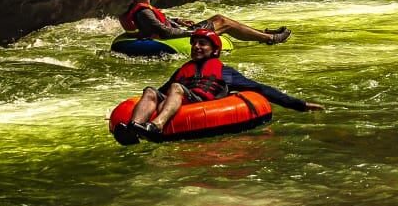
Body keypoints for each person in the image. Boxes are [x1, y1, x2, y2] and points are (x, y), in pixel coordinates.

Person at [124, 30, 323, 139]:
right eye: (194, 43)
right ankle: (134, 128)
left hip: (200, 103)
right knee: (150, 90)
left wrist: (299, 105)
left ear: (215, 51)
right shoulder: (183, 70)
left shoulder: (224, 71)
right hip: (179, 101)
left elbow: (260, 88)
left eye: (202, 44)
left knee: (175, 88)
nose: (196, 47)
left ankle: (156, 126)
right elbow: (159, 93)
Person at [120, 0, 291, 44]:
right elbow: (164, 32)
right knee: (223, 21)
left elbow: (157, 24)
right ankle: (270, 38)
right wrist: (192, 33)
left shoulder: (138, 9)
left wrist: (176, 20)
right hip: (179, 35)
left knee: (218, 17)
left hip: (177, 29)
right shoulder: (144, 12)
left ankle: (262, 33)